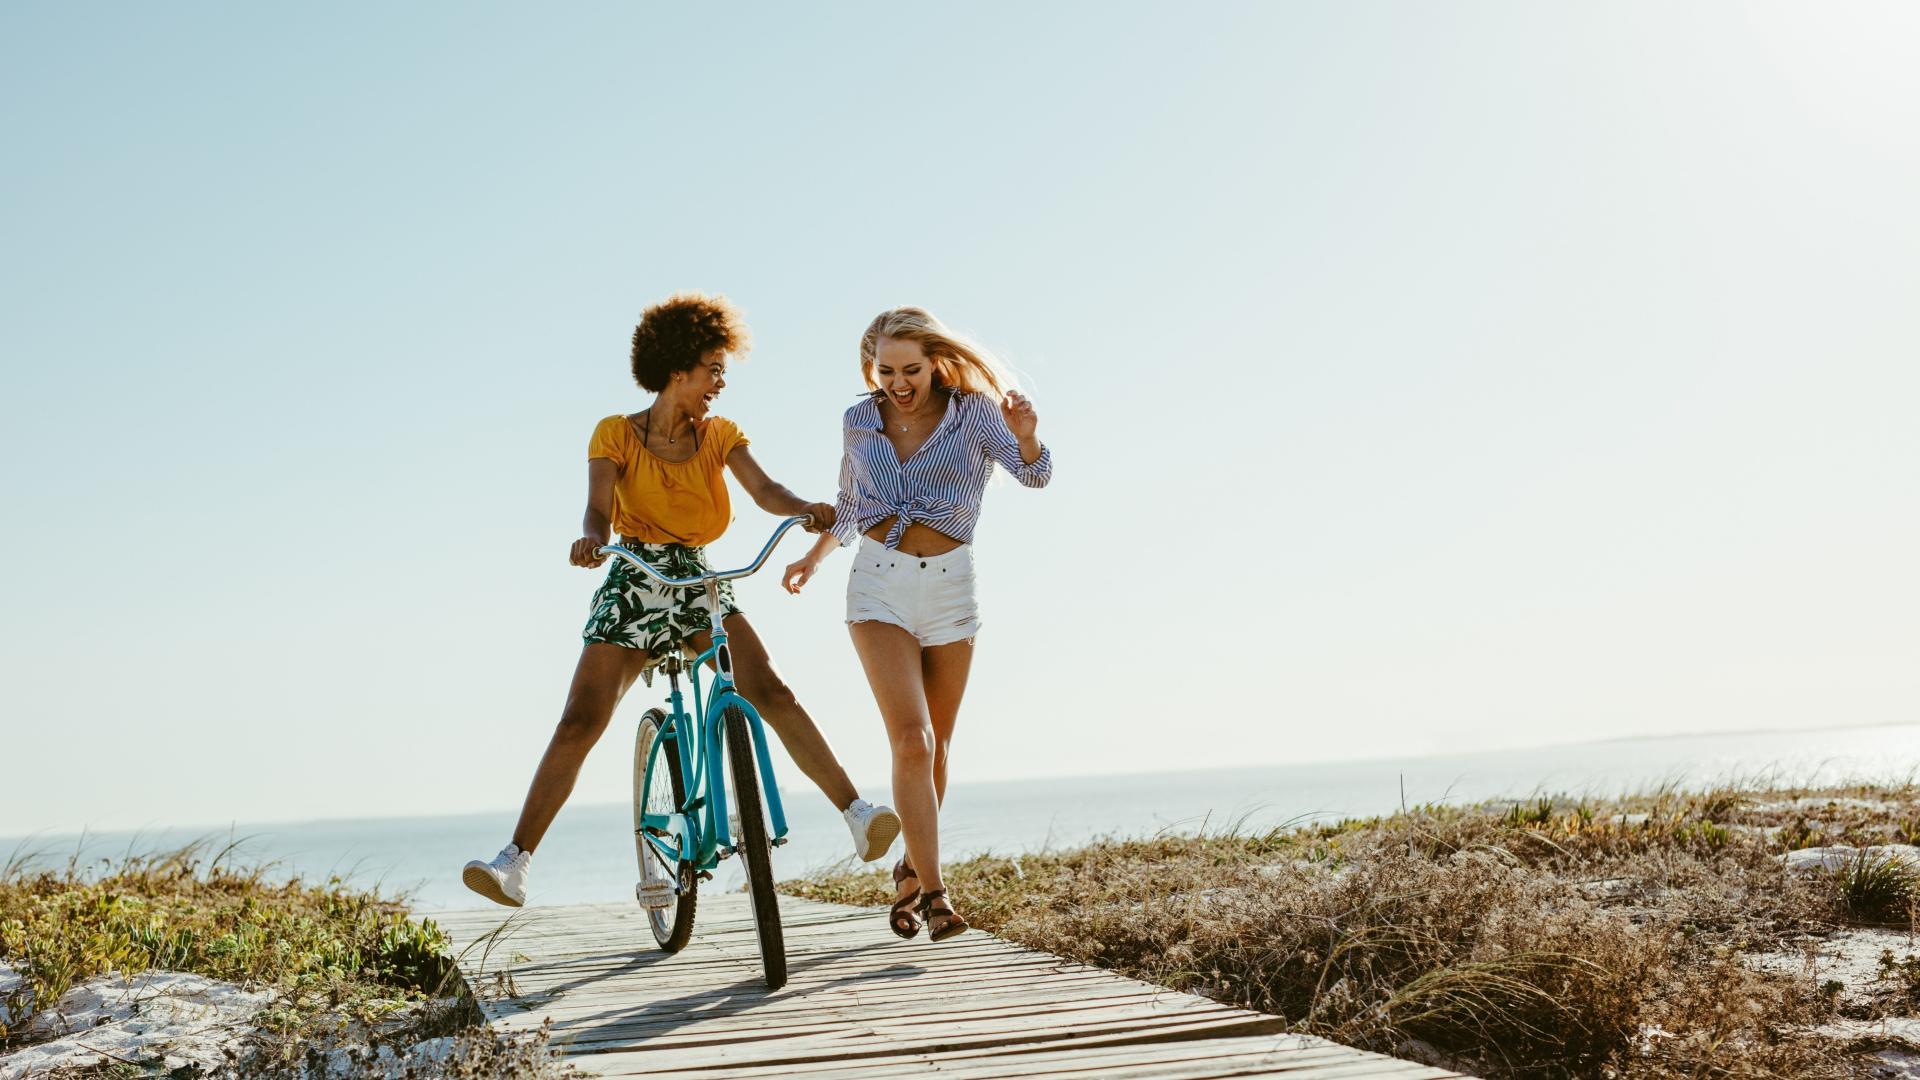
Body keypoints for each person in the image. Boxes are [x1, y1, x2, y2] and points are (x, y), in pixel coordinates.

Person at [463, 292, 900, 907]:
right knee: (580, 720)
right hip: (634, 577)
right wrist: (592, 542)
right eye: (713, 370)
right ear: (676, 371)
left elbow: (765, 489)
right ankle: (515, 861)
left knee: (771, 689)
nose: (720, 383)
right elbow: (596, 510)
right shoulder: (615, 433)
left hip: (695, 579)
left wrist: (804, 508)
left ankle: (856, 814)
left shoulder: (721, 436)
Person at [783, 307, 1052, 941]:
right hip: (879, 585)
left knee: (938, 748)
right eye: (886, 371)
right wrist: (814, 558)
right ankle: (936, 894)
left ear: (934, 362)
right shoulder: (858, 421)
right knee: (912, 740)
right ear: (871, 368)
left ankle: (909, 870)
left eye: (910, 370)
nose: (898, 383)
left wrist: (1027, 435)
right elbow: (850, 504)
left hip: (952, 588)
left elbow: (1035, 475)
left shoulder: (974, 413)